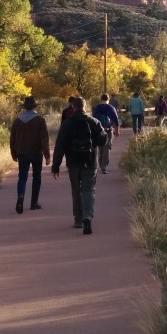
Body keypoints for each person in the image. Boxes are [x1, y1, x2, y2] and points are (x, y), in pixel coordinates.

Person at [52, 96, 107, 234]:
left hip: (73, 162)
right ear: (85, 107)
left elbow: (60, 145)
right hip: (90, 160)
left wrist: (56, 165)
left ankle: (78, 219)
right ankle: (87, 216)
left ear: (73, 107)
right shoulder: (93, 122)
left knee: (76, 190)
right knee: (88, 189)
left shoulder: (67, 123)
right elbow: (103, 140)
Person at [9, 96, 51, 214]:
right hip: (36, 152)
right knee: (37, 177)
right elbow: (44, 139)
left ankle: (20, 196)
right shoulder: (40, 120)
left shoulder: (17, 120)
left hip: (22, 152)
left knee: (22, 177)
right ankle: (34, 202)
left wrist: (14, 152)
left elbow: (12, 138)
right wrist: (47, 155)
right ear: (34, 107)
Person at [91, 92, 121, 175]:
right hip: (108, 130)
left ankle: (100, 165)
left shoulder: (96, 108)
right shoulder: (111, 108)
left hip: (99, 131)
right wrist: (117, 130)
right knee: (107, 148)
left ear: (101, 99)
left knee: (100, 148)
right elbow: (116, 120)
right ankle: (104, 167)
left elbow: (93, 120)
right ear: (108, 99)